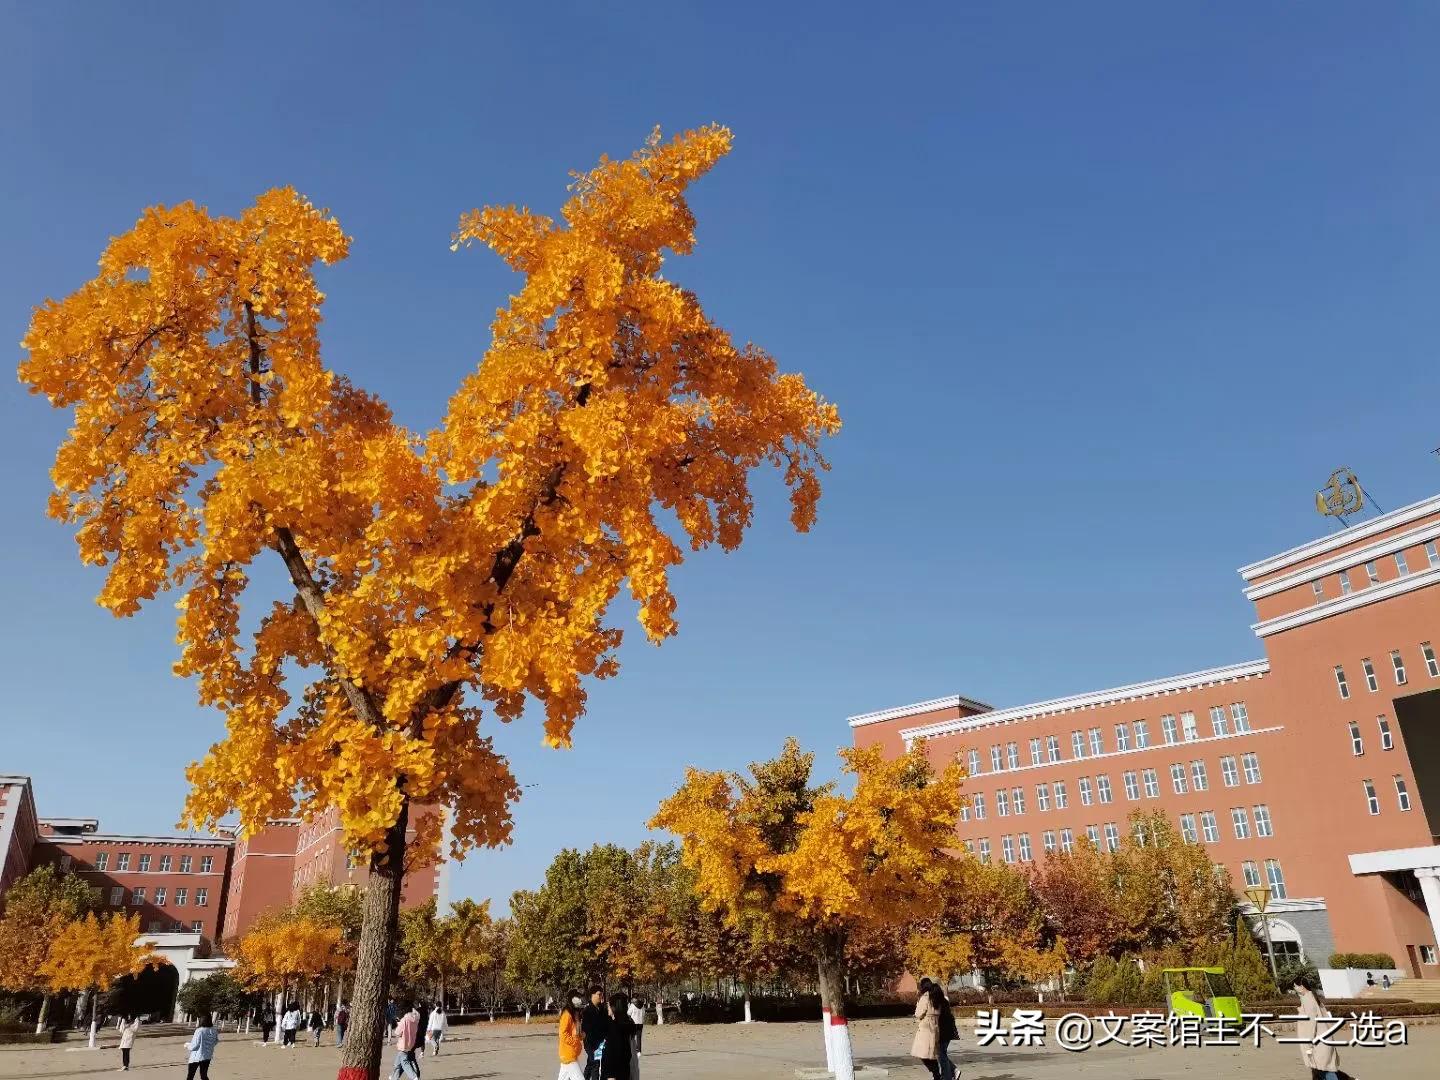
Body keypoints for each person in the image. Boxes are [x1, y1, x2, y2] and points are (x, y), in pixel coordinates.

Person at [1294, 977, 1350, 1080]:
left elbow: (1310, 1025)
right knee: (1321, 1070)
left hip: (1317, 1044)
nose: (1295, 988)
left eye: (1295, 986)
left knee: (1326, 1071)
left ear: (1301, 986)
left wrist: (1309, 1045)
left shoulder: (1308, 1000)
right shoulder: (1315, 999)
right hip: (1324, 1041)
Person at [601, 993, 637, 1080]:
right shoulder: (629, 1022)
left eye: (609, 1005)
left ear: (614, 1007)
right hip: (626, 1065)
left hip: (612, 1067)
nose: (608, 1007)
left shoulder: (613, 1024)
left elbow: (612, 1051)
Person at [910, 982, 940, 1079]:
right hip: (935, 1025)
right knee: (931, 1053)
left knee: (922, 1053)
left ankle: (936, 1074)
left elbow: (918, 1013)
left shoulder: (925, 997)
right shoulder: (936, 996)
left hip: (926, 1027)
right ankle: (936, 1074)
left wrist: (918, 1001)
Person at [557, 990, 587, 1080]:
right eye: (578, 997)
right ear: (572, 999)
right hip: (568, 1054)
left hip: (570, 1054)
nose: (580, 1000)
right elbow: (563, 1033)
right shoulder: (567, 1014)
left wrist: (582, 1035)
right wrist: (575, 1042)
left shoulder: (575, 1014)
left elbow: (575, 1032)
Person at [389, 1002, 422, 1080]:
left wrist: (398, 1023)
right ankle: (393, 1077)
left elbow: (397, 1032)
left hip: (403, 1044)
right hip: (411, 1043)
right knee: (397, 1064)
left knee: (404, 1062)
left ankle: (414, 1077)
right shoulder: (415, 1019)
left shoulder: (404, 1020)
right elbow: (416, 1014)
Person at [580, 987, 607, 1080]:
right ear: (592, 995)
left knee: (591, 1063)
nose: (601, 996)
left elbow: (605, 1025)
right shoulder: (587, 1010)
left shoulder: (602, 1009)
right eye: (599, 994)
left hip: (600, 1042)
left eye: (602, 994)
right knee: (595, 1063)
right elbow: (585, 1029)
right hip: (590, 1043)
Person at [931, 986, 957, 1080]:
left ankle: (947, 1076)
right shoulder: (944, 1002)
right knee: (942, 1054)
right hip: (948, 1032)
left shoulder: (937, 1004)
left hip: (942, 1033)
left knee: (941, 1054)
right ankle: (951, 1072)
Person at [185, 1015, 219, 1080]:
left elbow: (194, 1046)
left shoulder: (199, 1031)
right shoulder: (214, 1030)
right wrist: (208, 1046)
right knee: (204, 1075)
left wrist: (187, 1045)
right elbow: (215, 1041)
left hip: (196, 1057)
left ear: (201, 1021)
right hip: (207, 1056)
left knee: (190, 1076)